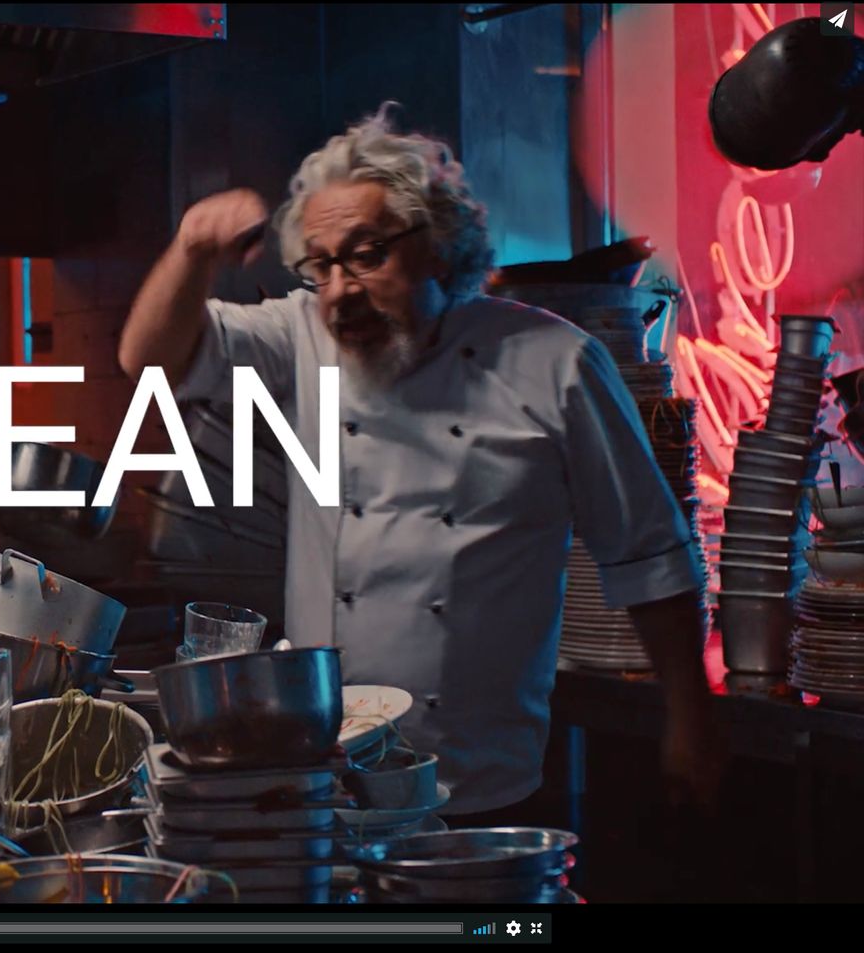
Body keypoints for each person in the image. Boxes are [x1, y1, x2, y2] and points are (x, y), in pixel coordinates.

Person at [119, 104, 723, 819]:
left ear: (438, 245)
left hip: (479, 776)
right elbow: (147, 359)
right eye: (321, 265)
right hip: (324, 770)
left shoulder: (554, 362)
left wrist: (690, 717)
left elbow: (648, 553)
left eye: (367, 255)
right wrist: (192, 247)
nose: (340, 289)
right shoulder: (302, 335)